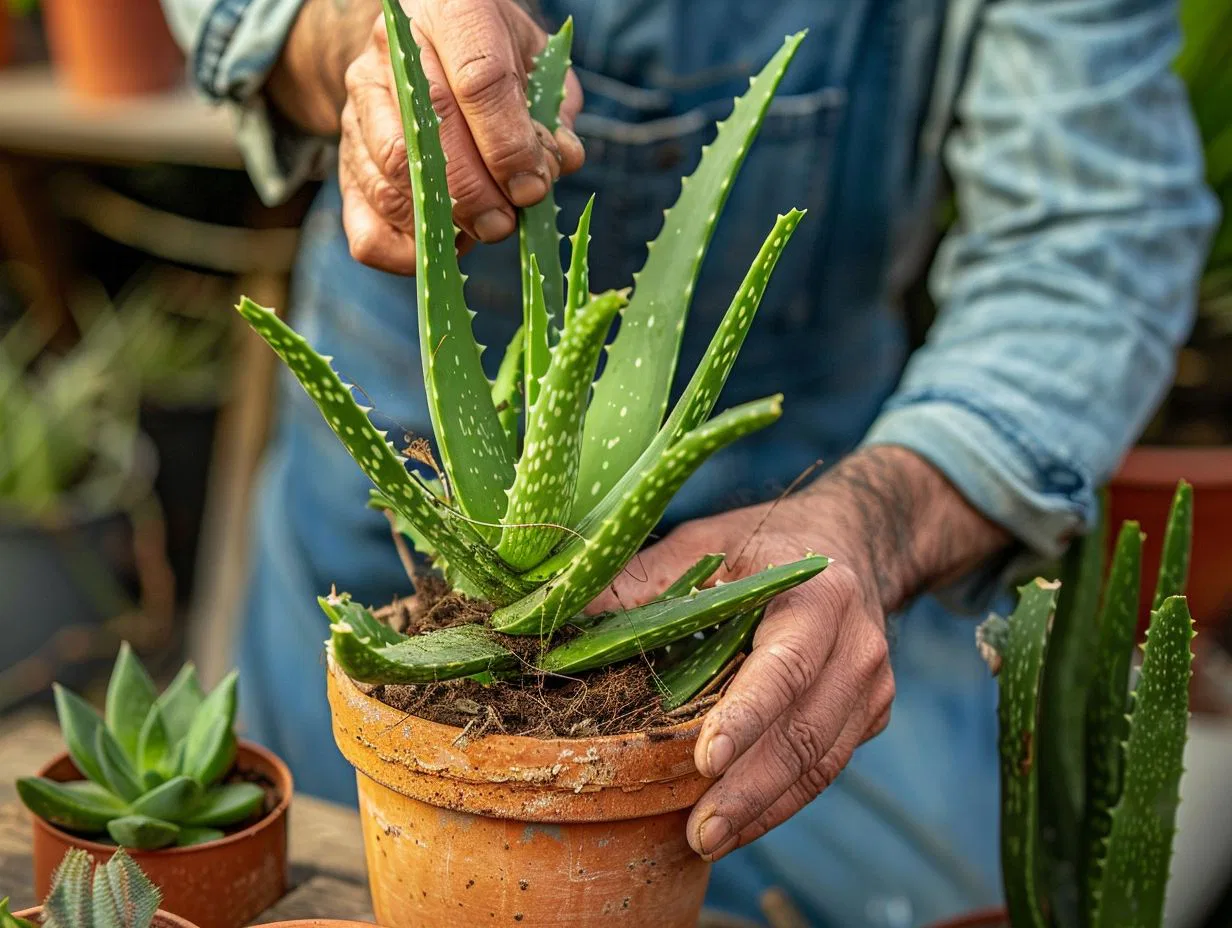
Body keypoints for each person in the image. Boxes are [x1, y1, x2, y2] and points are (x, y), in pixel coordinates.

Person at [159, 0, 1216, 923]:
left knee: (929, 888)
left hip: (807, 519)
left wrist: (875, 522)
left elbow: (1092, 234)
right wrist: (353, 28)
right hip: (411, 477)